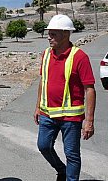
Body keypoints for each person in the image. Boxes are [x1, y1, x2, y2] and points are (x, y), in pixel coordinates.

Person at [33, 14, 96, 181]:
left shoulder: (79, 57)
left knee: (72, 154)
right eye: (49, 33)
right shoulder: (46, 54)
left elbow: (89, 89)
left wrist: (89, 121)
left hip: (71, 118)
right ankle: (62, 170)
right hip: (47, 114)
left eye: (53, 34)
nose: (49, 37)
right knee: (44, 146)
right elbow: (43, 81)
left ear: (66, 34)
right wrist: (38, 106)